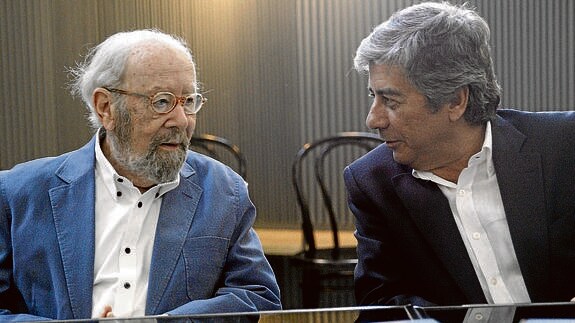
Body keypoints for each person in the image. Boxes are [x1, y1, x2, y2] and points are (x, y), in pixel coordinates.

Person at [0, 29, 281, 321]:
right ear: (106, 107)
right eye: (161, 102)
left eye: (188, 102)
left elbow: (255, 295)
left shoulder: (225, 192)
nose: (181, 120)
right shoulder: (18, 194)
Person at [344, 1, 575, 307]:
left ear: (455, 100)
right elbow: (381, 303)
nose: (373, 120)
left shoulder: (563, 145)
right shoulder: (372, 183)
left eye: (391, 100)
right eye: (374, 96)